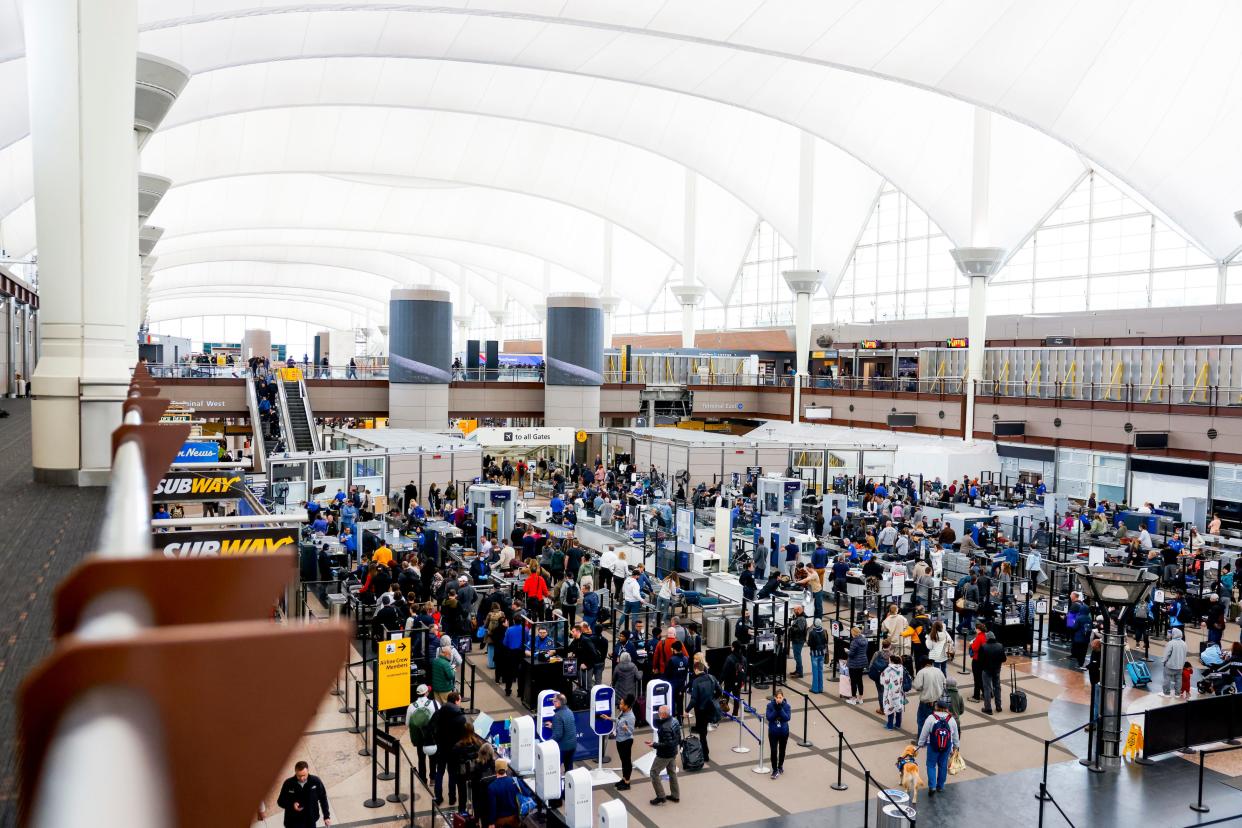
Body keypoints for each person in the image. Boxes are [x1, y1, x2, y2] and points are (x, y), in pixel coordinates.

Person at [916, 699, 960, 797]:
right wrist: (956, 747)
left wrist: (920, 743)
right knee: (943, 765)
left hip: (933, 746)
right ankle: (940, 785)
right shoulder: (951, 719)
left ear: (936, 707)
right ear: (946, 708)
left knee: (931, 765)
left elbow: (924, 732)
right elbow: (955, 735)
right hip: (946, 747)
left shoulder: (931, 718)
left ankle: (932, 786)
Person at [276, 761, 332, 827]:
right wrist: (292, 805)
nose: (302, 778)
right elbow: (280, 801)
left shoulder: (315, 781)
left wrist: (326, 816)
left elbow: (323, 798)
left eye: (304, 775)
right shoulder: (288, 783)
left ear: (308, 771)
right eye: (299, 776)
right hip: (292, 822)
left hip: (310, 821)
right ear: (295, 772)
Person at [648, 705, 681, 806]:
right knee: (672, 772)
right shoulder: (675, 721)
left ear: (663, 714)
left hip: (664, 754)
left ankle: (661, 796)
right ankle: (675, 795)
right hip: (673, 752)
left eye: (659, 712)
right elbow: (677, 738)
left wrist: (654, 744)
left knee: (654, 772)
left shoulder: (665, 727)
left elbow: (667, 744)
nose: (658, 713)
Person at [406, 684, 439, 782]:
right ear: (426, 693)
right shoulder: (435, 703)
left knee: (421, 758)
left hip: (419, 737)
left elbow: (407, 723)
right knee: (433, 758)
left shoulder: (411, 706)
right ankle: (433, 778)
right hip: (432, 736)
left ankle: (423, 778)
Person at [688, 662, 719, 764]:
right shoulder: (711, 677)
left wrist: (686, 710)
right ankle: (704, 751)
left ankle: (705, 754)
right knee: (703, 730)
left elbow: (693, 699)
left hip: (700, 710)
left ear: (696, 669)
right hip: (710, 708)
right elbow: (720, 691)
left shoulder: (696, 681)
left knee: (702, 733)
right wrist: (712, 699)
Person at [912, 657, 946, 736]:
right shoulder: (938, 670)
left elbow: (917, 686)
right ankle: (933, 738)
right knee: (935, 721)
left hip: (926, 702)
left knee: (921, 720)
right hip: (938, 702)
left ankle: (921, 739)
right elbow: (944, 683)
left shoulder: (922, 672)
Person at [610, 695, 637, 791]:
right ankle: (624, 778)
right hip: (619, 740)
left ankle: (627, 782)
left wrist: (626, 729)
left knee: (627, 762)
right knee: (623, 761)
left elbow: (630, 732)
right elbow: (619, 721)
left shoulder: (631, 717)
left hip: (626, 741)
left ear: (627, 706)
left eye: (622, 704)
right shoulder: (623, 712)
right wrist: (609, 718)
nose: (620, 705)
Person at [486, 758, 523, 828]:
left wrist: (491, 823)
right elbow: (527, 793)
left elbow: (492, 807)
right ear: (507, 769)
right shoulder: (515, 781)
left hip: (500, 822)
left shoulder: (492, 787)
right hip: (514, 819)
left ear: (495, 770)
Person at [977, 631, 1006, 715]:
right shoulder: (1000, 646)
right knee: (997, 687)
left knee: (987, 689)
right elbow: (1004, 659)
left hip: (986, 670)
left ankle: (988, 708)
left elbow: (980, 660)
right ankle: (998, 706)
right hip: (997, 670)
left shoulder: (984, 647)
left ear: (987, 638)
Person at [550, 693, 578, 777]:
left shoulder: (557, 716)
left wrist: (547, 743)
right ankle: (569, 787)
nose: (553, 703)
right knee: (569, 769)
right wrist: (553, 726)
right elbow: (566, 727)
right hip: (572, 745)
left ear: (559, 703)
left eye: (554, 701)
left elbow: (558, 735)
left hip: (563, 747)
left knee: (554, 769)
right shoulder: (569, 711)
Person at [765, 689, 792, 779]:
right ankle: (775, 770)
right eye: (777, 697)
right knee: (773, 751)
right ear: (775, 698)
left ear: (783, 697)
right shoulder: (770, 705)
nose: (779, 699)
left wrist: (780, 709)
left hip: (784, 732)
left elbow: (787, 718)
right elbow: (769, 718)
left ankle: (780, 766)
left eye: (780, 697)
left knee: (782, 750)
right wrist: (776, 710)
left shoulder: (787, 706)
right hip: (773, 732)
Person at [881, 653, 906, 730]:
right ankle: (898, 724)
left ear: (891, 661)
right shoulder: (902, 668)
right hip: (899, 691)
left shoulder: (888, 669)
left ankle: (890, 725)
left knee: (890, 707)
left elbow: (883, 681)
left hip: (890, 692)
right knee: (898, 707)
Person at [846, 625, 869, 705]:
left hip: (853, 663)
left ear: (853, 634)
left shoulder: (854, 642)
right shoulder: (865, 640)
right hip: (862, 662)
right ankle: (860, 698)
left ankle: (853, 698)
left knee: (853, 681)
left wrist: (847, 651)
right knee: (859, 680)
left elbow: (851, 654)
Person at [1162, 628, 1187, 697]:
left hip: (1170, 665)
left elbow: (1166, 654)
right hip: (1180, 666)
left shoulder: (1171, 643)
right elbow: (1185, 655)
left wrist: (1164, 661)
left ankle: (1166, 693)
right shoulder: (1184, 643)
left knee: (1167, 678)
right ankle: (1177, 693)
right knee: (1179, 679)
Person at [808, 619, 829, 694]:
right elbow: (826, 642)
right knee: (820, 671)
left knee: (815, 671)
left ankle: (815, 689)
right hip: (822, 653)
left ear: (814, 624)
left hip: (814, 654)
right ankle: (821, 688)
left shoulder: (812, 633)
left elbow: (809, 643)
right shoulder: (824, 631)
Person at [788, 604, 809, 678]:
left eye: (795, 610)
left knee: (797, 656)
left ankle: (800, 672)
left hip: (798, 640)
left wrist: (791, 628)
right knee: (797, 656)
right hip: (797, 639)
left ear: (799, 610)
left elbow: (800, 630)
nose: (793, 612)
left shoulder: (801, 619)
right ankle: (797, 670)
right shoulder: (799, 617)